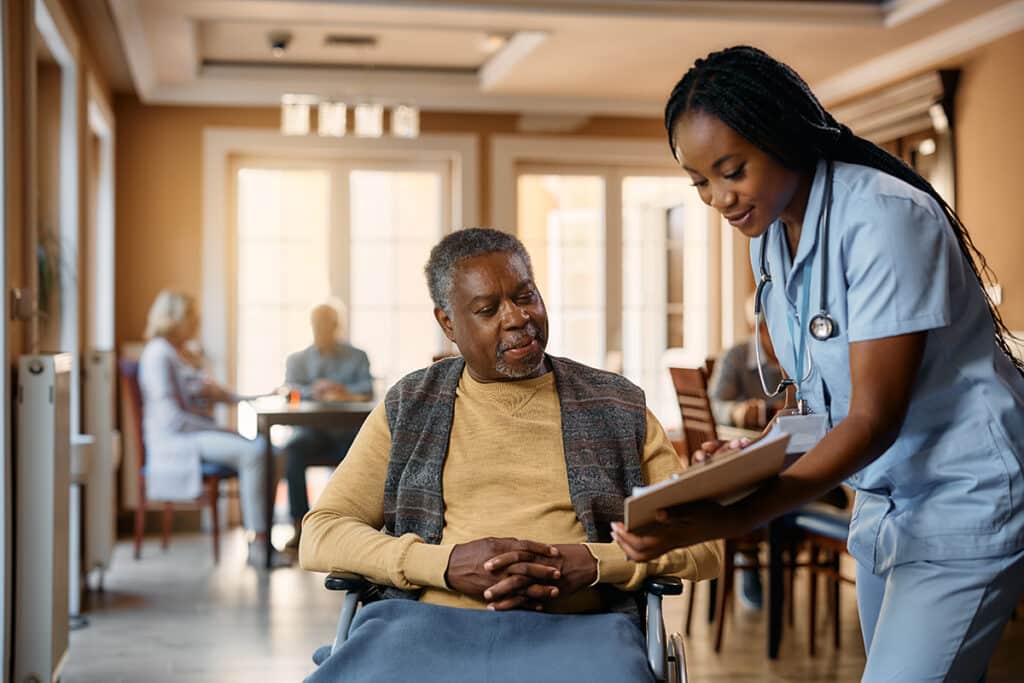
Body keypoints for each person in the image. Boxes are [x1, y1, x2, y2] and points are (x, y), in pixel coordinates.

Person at [611, 46, 1024, 681]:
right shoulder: (771, 240)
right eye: (700, 182)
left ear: (782, 139)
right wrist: (749, 463)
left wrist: (730, 517)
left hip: (963, 500)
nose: (719, 198)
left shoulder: (884, 219)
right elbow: (817, 406)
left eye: (732, 170)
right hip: (884, 506)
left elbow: (872, 419)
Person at [299, 228, 720, 682]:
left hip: (581, 629)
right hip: (424, 626)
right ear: (448, 324)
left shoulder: (618, 405)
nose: (518, 318)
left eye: (526, 296)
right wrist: (445, 565)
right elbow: (321, 533)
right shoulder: (410, 405)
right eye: (488, 309)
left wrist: (595, 562)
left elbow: (703, 543)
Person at [138, 290, 289, 567]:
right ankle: (259, 542)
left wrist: (259, 396)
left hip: (195, 432)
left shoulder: (181, 354)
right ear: (174, 319)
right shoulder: (158, 355)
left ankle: (260, 538)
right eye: (192, 317)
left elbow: (220, 395)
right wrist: (221, 430)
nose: (197, 323)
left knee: (274, 451)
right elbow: (173, 420)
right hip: (177, 440)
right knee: (256, 452)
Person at [282, 301, 373, 549]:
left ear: (336, 326)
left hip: (348, 434)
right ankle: (300, 526)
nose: (322, 330)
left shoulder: (357, 356)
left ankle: (351, 529)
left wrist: (341, 390)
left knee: (365, 457)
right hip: (312, 433)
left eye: (327, 326)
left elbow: (367, 388)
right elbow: (290, 389)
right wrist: (314, 390)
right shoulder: (297, 359)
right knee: (292, 451)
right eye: (317, 325)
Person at [708, 292, 785, 430]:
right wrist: (735, 412)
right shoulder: (734, 357)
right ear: (759, 329)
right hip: (748, 441)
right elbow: (714, 406)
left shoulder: (802, 359)